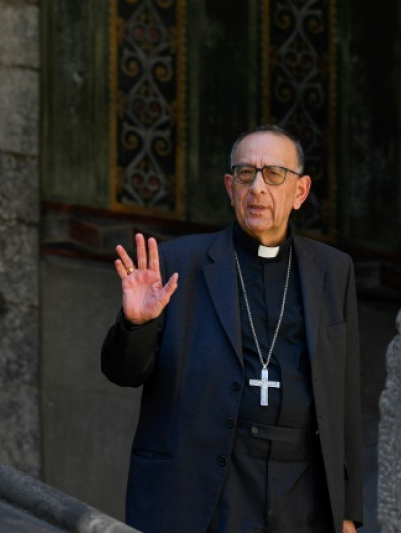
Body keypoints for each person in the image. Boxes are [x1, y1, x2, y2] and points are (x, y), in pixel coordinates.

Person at [101, 125, 362, 532]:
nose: (258, 187)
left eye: (274, 174)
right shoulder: (178, 263)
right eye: (245, 174)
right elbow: (123, 373)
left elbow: (344, 392)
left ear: (300, 191)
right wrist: (137, 324)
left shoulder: (332, 270)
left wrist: (347, 513)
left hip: (301, 489)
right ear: (229, 186)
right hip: (206, 485)